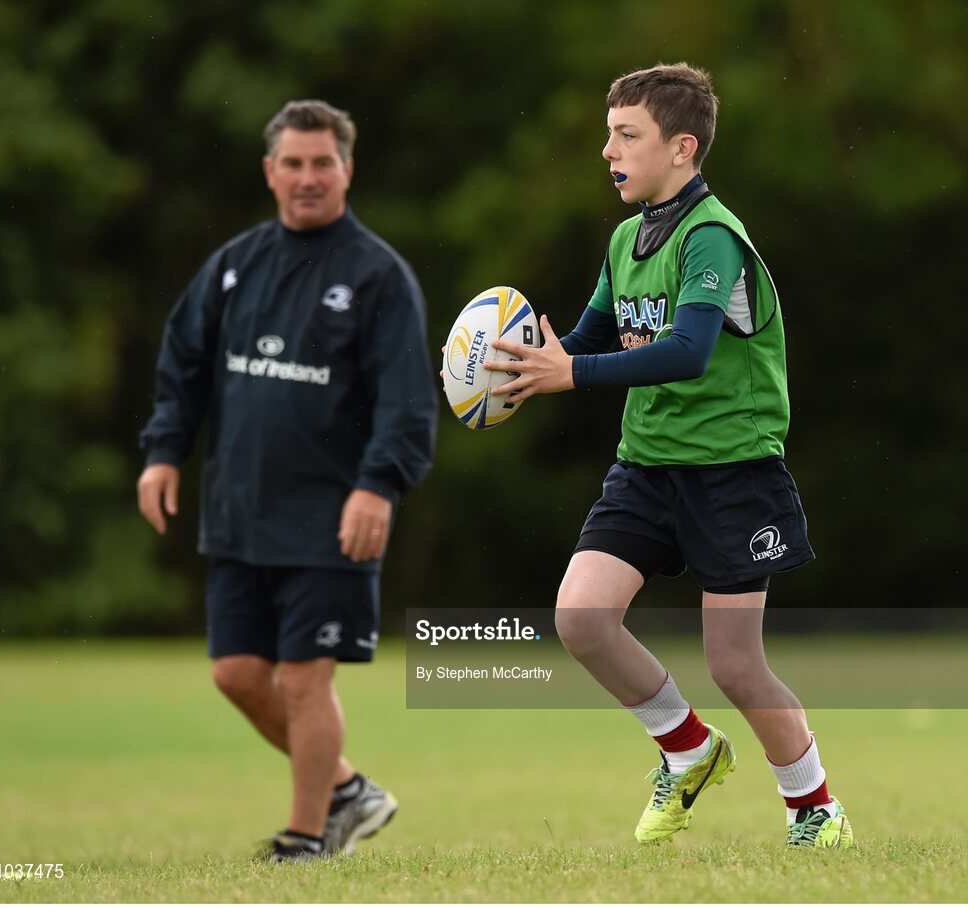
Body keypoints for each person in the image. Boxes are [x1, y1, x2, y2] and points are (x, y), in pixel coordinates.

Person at [484, 63, 852, 849]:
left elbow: (687, 350)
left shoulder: (712, 236)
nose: (608, 150)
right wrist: (519, 365)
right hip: (647, 465)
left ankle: (813, 807)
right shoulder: (626, 237)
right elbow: (587, 337)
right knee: (581, 619)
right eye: (607, 135)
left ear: (682, 148)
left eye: (627, 135)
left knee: (735, 666)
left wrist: (570, 374)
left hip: (732, 470)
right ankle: (687, 748)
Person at [137, 99, 437, 862]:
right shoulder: (235, 266)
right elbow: (184, 363)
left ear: (347, 169)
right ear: (270, 172)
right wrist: (164, 450)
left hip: (333, 513)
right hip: (240, 508)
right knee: (236, 673)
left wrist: (378, 485)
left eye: (322, 163)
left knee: (305, 679)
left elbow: (406, 398)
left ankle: (307, 838)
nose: (308, 177)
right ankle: (347, 790)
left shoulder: (379, 277)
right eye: (293, 163)